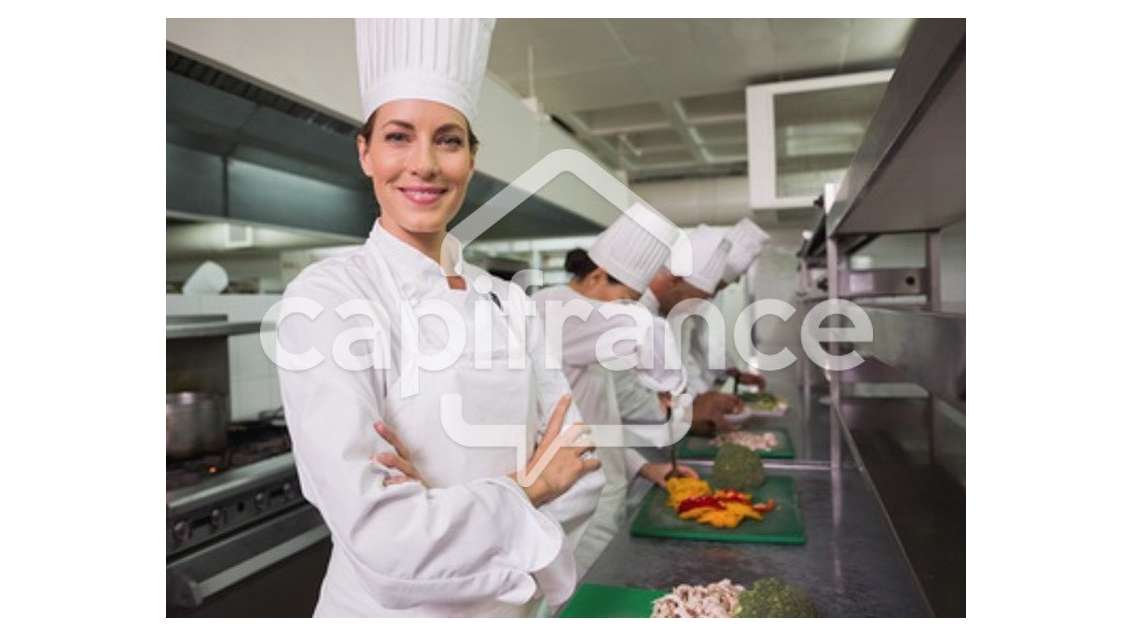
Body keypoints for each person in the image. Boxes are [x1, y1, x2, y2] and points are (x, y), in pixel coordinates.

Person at [276, 18, 603, 617]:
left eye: (448, 141)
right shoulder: (327, 298)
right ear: (365, 152)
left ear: (472, 159)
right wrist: (530, 487)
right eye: (398, 137)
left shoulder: (509, 302)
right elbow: (386, 544)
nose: (424, 164)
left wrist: (438, 507)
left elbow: (580, 474)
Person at [530, 209, 696, 578]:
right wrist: (674, 385)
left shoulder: (586, 322)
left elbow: (596, 418)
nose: (629, 308)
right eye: (626, 298)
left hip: (603, 485)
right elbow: (645, 334)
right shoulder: (556, 310)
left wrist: (644, 466)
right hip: (575, 500)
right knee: (581, 597)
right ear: (596, 276)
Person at [615, 225, 743, 435]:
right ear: (675, 281)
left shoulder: (662, 313)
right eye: (696, 299)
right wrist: (685, 413)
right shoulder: (631, 313)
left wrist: (693, 403)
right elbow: (624, 396)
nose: (695, 308)